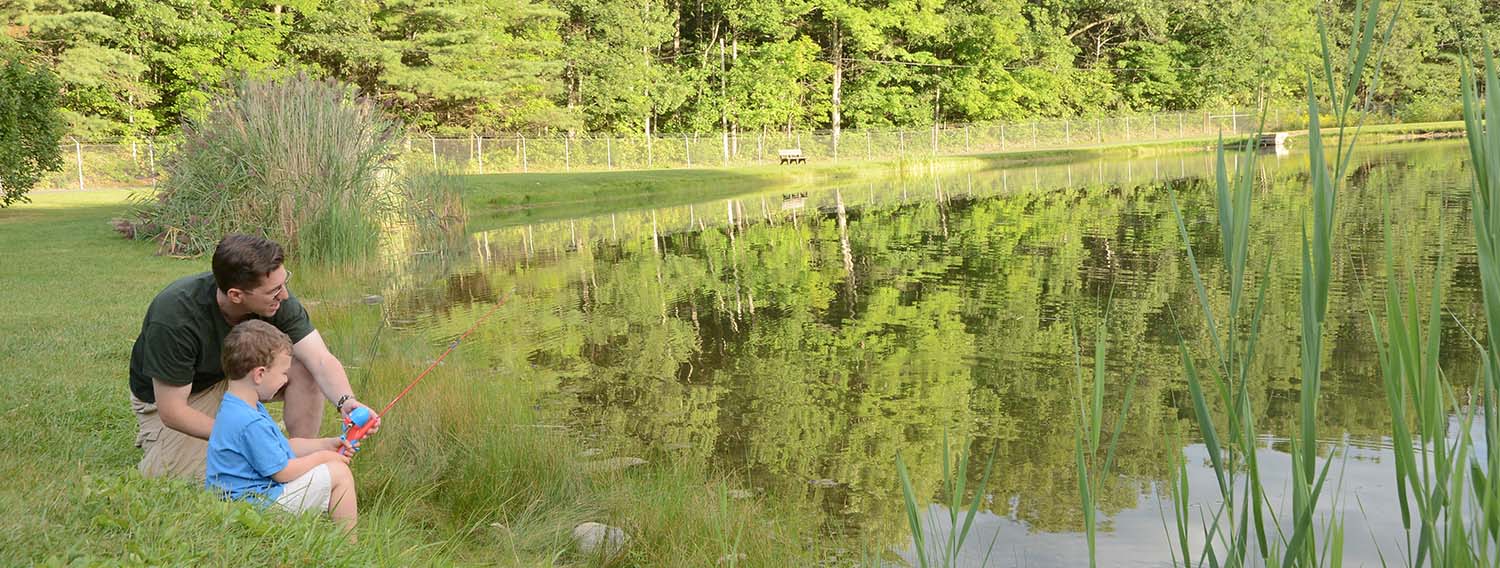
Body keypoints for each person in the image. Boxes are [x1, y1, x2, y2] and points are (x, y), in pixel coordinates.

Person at [128, 233, 378, 479]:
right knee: (205, 476)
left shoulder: (275, 299)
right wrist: (245, 439)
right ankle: (161, 443)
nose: (285, 296)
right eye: (274, 290)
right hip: (183, 396)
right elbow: (172, 411)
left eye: (284, 283)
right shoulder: (175, 316)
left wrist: (347, 402)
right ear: (236, 295)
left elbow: (320, 360)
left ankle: (297, 458)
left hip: (236, 377)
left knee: (302, 367)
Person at [206, 320, 358, 536]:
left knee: (329, 469)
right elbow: (282, 472)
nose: (286, 380)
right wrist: (324, 457)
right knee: (339, 474)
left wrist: (326, 444)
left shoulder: (239, 406)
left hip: (238, 502)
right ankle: (350, 548)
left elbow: (281, 447)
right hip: (251, 508)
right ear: (259, 374)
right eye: (283, 373)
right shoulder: (250, 422)